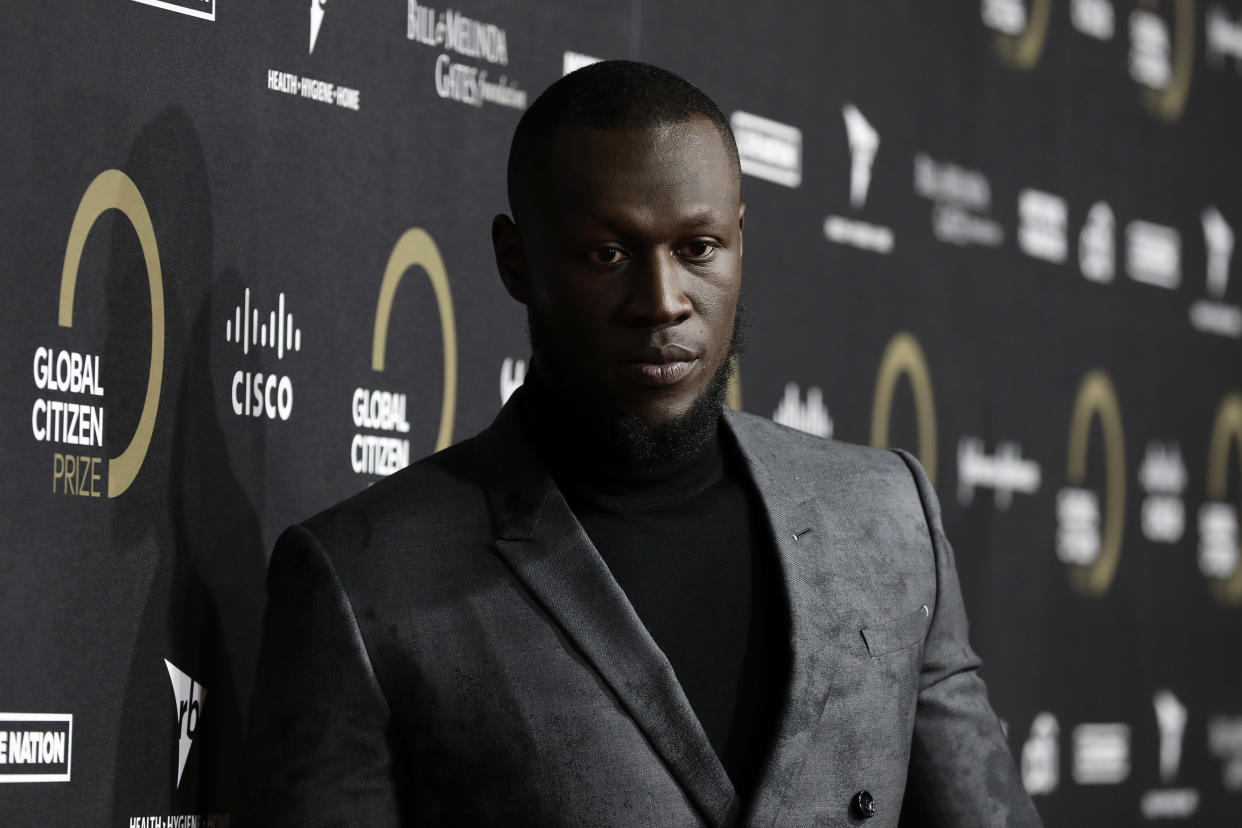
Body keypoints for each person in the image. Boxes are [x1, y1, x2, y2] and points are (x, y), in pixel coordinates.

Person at [240, 60, 1041, 827]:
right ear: (516, 263)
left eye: (697, 250)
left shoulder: (888, 521)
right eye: (608, 255)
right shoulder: (364, 578)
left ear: (739, 240)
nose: (662, 303)